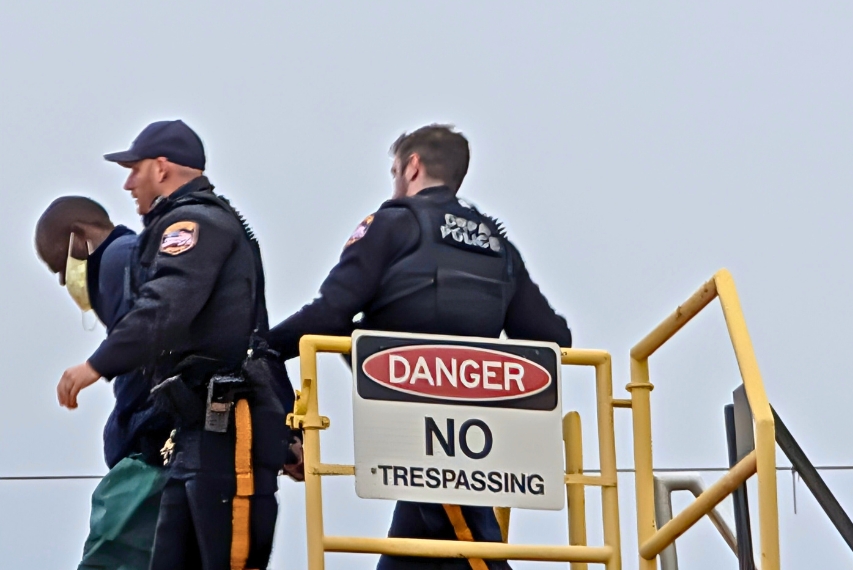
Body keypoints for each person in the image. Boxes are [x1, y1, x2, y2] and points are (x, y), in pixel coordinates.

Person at [269, 124, 572, 570]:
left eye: (395, 171)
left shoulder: (392, 224)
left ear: (412, 167)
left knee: (470, 543)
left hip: (419, 430)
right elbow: (554, 339)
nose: (395, 181)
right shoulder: (498, 245)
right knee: (424, 543)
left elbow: (329, 314)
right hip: (479, 437)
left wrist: (262, 347)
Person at [55, 120, 292, 570]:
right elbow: (252, 333)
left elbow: (166, 307)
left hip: (228, 433)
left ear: (161, 168)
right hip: (197, 431)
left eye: (135, 169)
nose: (128, 183)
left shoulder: (195, 224)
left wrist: (97, 365)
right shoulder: (195, 222)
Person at [36, 196, 171, 570]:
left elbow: (144, 343)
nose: (64, 279)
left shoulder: (117, 259)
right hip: (163, 451)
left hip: (152, 455)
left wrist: (96, 367)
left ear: (78, 237)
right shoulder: (135, 256)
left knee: (109, 559)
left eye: (60, 265)